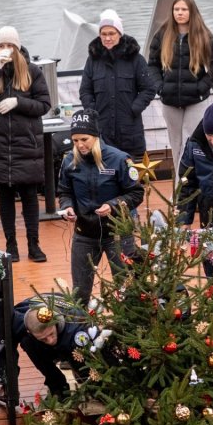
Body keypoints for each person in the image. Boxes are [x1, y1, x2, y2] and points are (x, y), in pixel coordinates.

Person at [0, 26, 51, 263]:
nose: (6, 50)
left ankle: (34, 244)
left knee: (29, 196)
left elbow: (44, 105)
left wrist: (18, 102)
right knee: (5, 196)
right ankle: (11, 244)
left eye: (10, 46)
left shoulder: (32, 71)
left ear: (17, 47)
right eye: (1, 46)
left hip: (26, 143)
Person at [57, 109, 144, 305]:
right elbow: (64, 192)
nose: (80, 145)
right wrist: (67, 207)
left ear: (96, 136)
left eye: (84, 139)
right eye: (75, 140)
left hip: (118, 233)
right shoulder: (69, 161)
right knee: (79, 293)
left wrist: (113, 206)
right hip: (85, 234)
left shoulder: (119, 159)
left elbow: (136, 193)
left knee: (128, 291)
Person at [146, 0, 213, 171]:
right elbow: (152, 65)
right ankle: (178, 185)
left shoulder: (204, 35)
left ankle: (192, 183)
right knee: (175, 145)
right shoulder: (162, 34)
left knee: (192, 143)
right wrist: (160, 88)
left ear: (192, 11)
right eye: (176, 9)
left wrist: (202, 87)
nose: (180, 13)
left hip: (196, 100)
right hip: (170, 101)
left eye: (184, 9)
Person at [79, 10, 157, 160]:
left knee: (131, 171)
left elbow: (149, 88)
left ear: (119, 34)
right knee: (105, 171)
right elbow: (85, 91)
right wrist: (92, 111)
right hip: (102, 130)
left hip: (130, 131)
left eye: (112, 33)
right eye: (104, 34)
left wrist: (134, 109)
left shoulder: (136, 59)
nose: (107, 38)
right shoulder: (92, 61)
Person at [12, 298, 90, 398]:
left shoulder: (77, 326)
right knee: (27, 342)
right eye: (43, 338)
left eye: (51, 334)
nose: (50, 341)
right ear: (29, 331)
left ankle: (84, 377)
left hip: (70, 336)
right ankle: (58, 388)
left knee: (79, 361)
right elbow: (7, 353)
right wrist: (8, 383)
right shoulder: (18, 322)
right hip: (40, 336)